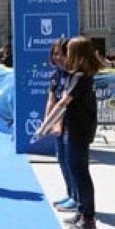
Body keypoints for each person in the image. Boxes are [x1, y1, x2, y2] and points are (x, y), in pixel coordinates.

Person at [38, 36, 104, 229]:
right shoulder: (75, 76)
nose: (66, 56)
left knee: (80, 173)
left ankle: (88, 218)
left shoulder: (81, 78)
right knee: (74, 172)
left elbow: (62, 103)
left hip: (79, 131)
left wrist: (44, 126)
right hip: (72, 129)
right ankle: (82, 212)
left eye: (70, 52)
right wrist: (50, 124)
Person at [43, 38, 77, 213]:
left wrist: (57, 123)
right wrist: (46, 123)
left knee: (72, 163)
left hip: (71, 125)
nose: (57, 57)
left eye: (61, 54)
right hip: (59, 126)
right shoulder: (56, 75)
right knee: (62, 161)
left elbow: (64, 104)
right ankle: (70, 193)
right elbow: (51, 100)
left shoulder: (73, 75)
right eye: (55, 54)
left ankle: (77, 198)